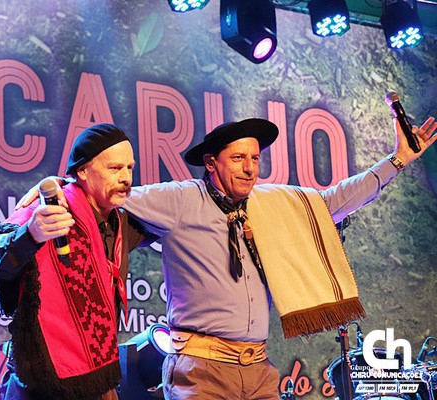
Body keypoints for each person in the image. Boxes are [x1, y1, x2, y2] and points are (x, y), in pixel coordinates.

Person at [118, 115, 437, 400]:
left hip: (258, 370)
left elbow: (334, 201)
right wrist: (85, 182)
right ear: (211, 163)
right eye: (238, 158)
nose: (249, 168)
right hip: (202, 372)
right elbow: (115, 196)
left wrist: (398, 159)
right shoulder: (181, 198)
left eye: (254, 158)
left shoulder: (270, 203)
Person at [0, 123, 152, 400]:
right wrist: (31, 234)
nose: (125, 178)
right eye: (114, 168)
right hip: (42, 380)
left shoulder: (121, 222)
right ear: (82, 171)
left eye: (130, 168)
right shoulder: (50, 211)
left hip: (97, 377)